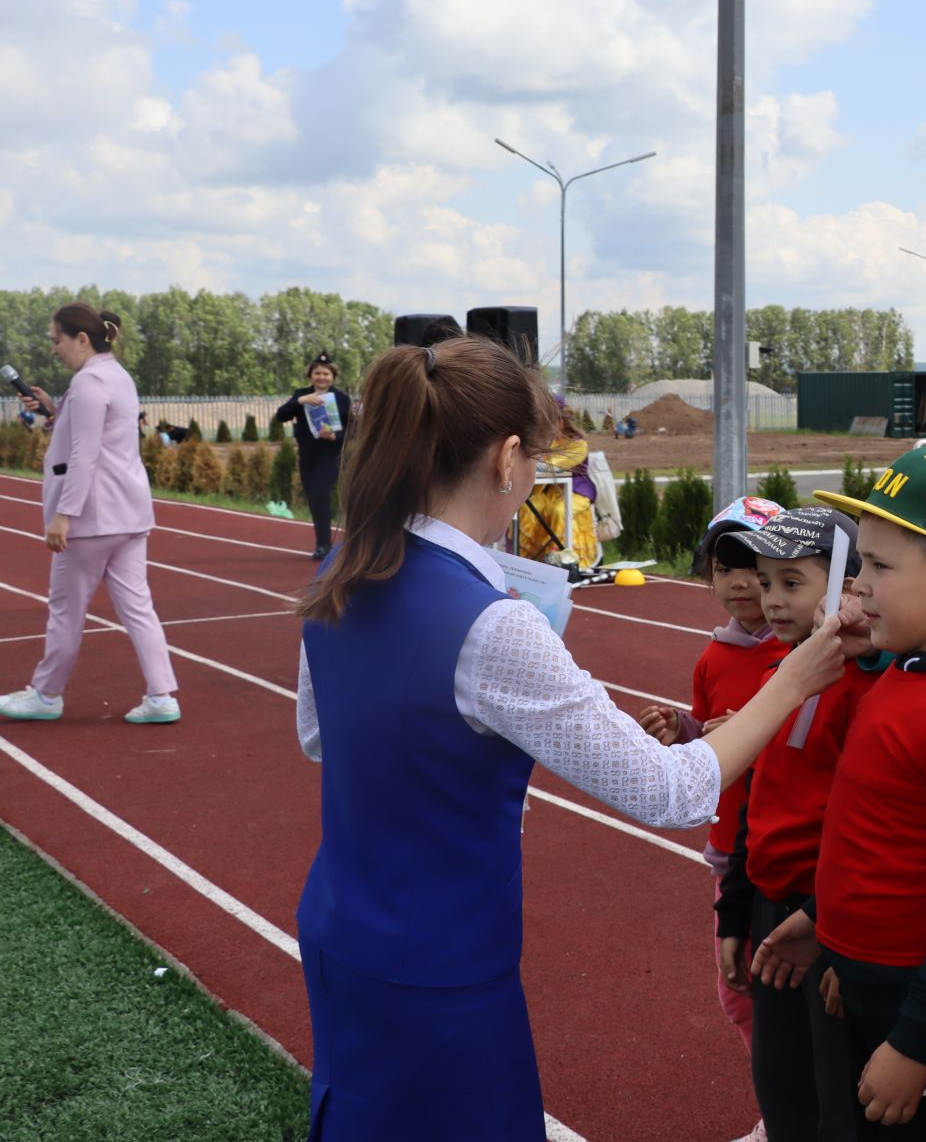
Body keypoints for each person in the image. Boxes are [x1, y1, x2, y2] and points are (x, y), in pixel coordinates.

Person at [291, 336, 848, 1141]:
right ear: (509, 458)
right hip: (443, 960)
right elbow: (671, 789)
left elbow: (320, 735)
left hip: (343, 927)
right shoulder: (491, 624)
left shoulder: (343, 568)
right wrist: (792, 680)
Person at [754, 444, 926, 1140]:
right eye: (860, 562)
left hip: (923, 1024)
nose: (857, 586)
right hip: (867, 988)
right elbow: (883, 835)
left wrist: (914, 1041)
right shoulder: (902, 674)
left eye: (877, 566)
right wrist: (829, 927)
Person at [712, 506, 878, 1141]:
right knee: (782, 1089)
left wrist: (830, 924)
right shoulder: (776, 676)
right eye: (764, 579)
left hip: (830, 922)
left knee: (838, 1100)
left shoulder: (863, 690)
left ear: (841, 587)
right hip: (769, 915)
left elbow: (866, 825)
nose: (769, 598)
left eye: (791, 582)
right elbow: (756, 802)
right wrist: (734, 913)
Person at [635, 495, 788, 1142]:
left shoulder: (800, 651)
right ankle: (780, 1106)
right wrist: (685, 731)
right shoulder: (712, 657)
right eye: (726, 567)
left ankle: (785, 1111)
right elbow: (710, 744)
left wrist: (750, 732)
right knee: (739, 989)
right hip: (730, 848)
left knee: (779, 990)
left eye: (757, 566)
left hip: (783, 851)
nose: (742, 582)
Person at [2, 303, 181, 725]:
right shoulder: (116, 377)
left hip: (91, 518)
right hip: (129, 513)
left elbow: (85, 453)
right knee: (139, 608)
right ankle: (162, 696)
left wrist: (64, 515)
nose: (52, 349)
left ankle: (46, 694)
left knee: (66, 608)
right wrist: (55, 408)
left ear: (82, 339)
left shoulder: (87, 384)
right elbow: (99, 433)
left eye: (56, 339)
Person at [274, 352, 354, 561]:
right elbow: (281, 415)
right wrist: (300, 401)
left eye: (326, 374)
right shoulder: (301, 395)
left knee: (320, 494)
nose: (321, 377)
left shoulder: (342, 400)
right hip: (307, 456)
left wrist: (335, 436)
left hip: (331, 456)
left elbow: (354, 431)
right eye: (317, 373)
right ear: (310, 376)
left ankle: (325, 545)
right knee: (314, 499)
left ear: (333, 377)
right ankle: (323, 542)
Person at [515, 398, 598, 567]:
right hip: (547, 491)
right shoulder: (545, 441)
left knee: (560, 511)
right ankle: (526, 560)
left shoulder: (578, 444)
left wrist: (527, 462)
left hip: (576, 491)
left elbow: (556, 465)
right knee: (528, 507)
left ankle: (565, 561)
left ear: (561, 420)